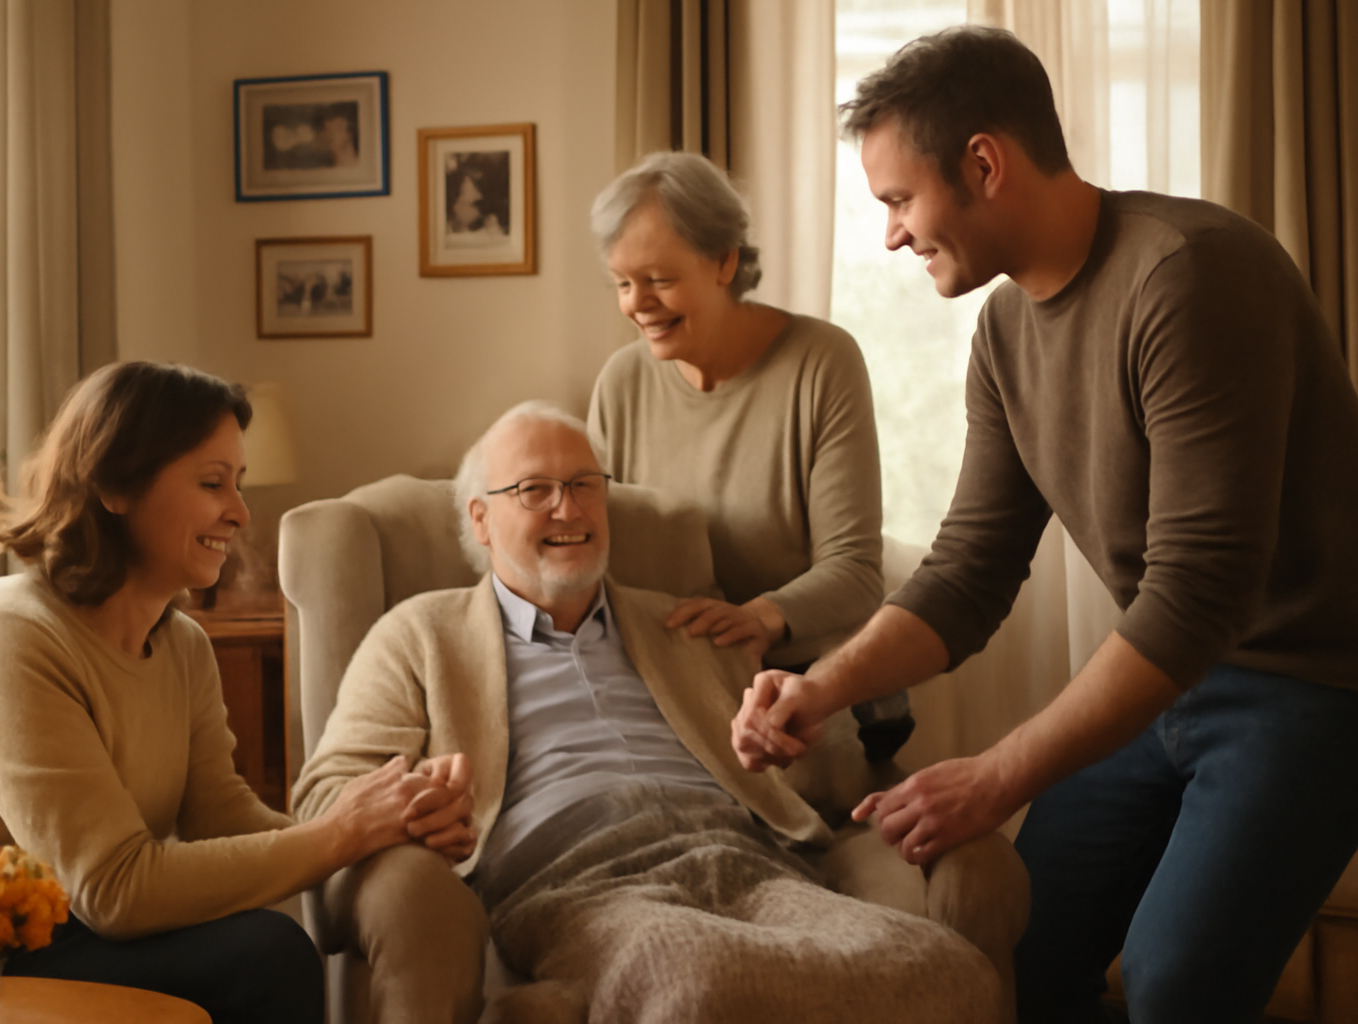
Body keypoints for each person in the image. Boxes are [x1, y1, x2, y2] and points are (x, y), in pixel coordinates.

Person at [731, 25, 1358, 1024]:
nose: (891, 234)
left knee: (1174, 985)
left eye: (898, 200)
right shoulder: (1006, 331)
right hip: (1169, 679)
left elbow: (1199, 594)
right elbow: (972, 569)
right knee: (1025, 951)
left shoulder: (1191, 275)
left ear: (984, 163)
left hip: (1309, 687)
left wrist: (993, 774)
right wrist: (823, 687)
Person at [293, 401, 1027, 1024]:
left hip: (752, 863)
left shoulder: (690, 626)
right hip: (573, 878)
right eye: (535, 490)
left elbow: (826, 766)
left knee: (947, 973)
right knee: (693, 986)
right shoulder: (420, 634)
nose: (569, 508)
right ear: (481, 521)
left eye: (584, 484)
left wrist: (791, 738)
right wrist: (412, 804)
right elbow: (326, 796)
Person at [0, 362, 472, 1023]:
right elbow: (114, 888)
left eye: (238, 483)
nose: (240, 512)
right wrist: (339, 835)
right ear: (114, 486)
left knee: (266, 946)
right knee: (267, 956)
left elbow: (221, 818)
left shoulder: (181, 643)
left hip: (53, 931)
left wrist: (386, 821)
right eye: (211, 482)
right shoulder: (11, 637)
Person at [586, 151, 914, 761]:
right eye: (623, 284)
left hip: (804, 678)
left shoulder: (822, 362)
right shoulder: (620, 382)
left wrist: (760, 619)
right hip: (672, 679)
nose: (638, 304)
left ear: (724, 262)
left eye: (658, 279)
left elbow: (855, 573)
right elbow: (606, 554)